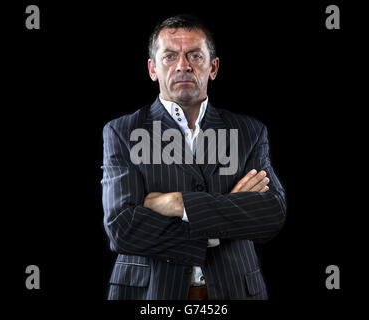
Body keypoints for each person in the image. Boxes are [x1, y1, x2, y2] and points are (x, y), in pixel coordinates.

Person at [101, 14, 286, 300]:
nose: (183, 65)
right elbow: (122, 228)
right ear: (152, 68)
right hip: (150, 294)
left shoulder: (249, 131)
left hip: (234, 291)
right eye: (170, 56)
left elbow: (271, 213)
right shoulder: (123, 131)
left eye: (195, 55)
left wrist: (178, 203)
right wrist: (221, 221)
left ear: (213, 67)